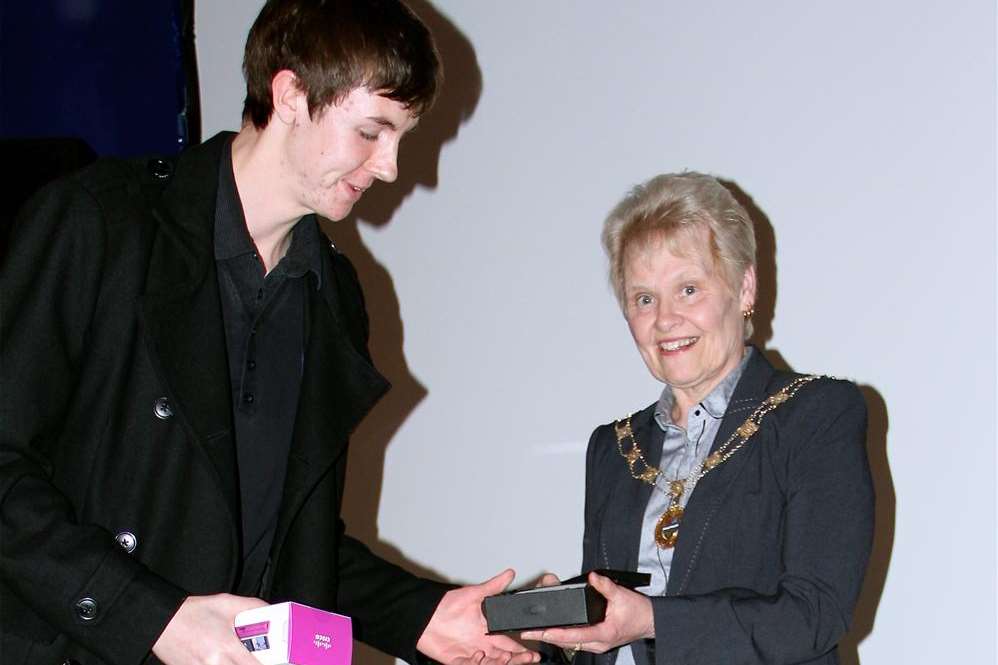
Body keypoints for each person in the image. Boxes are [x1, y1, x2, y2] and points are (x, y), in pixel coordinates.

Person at [0, 2, 536, 665]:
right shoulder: (101, 225)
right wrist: (153, 620)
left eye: (401, 135)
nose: (393, 166)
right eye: (373, 130)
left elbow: (296, 543)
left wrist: (422, 614)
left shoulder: (331, 295)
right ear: (289, 95)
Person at [522, 173, 874, 664]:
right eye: (644, 298)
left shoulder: (814, 415)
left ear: (744, 286)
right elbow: (610, 639)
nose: (665, 319)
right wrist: (553, 641)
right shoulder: (614, 447)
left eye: (688, 289)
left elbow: (814, 615)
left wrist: (651, 620)